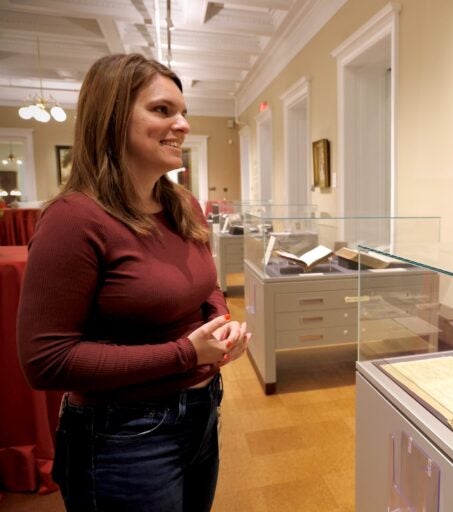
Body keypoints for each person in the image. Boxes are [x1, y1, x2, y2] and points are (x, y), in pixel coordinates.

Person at [16, 53, 250, 512]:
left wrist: (220, 321)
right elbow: (45, 360)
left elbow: (205, 286)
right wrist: (186, 353)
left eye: (182, 112)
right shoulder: (74, 219)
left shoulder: (182, 203)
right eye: (163, 111)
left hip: (202, 414)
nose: (182, 124)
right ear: (112, 118)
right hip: (123, 436)